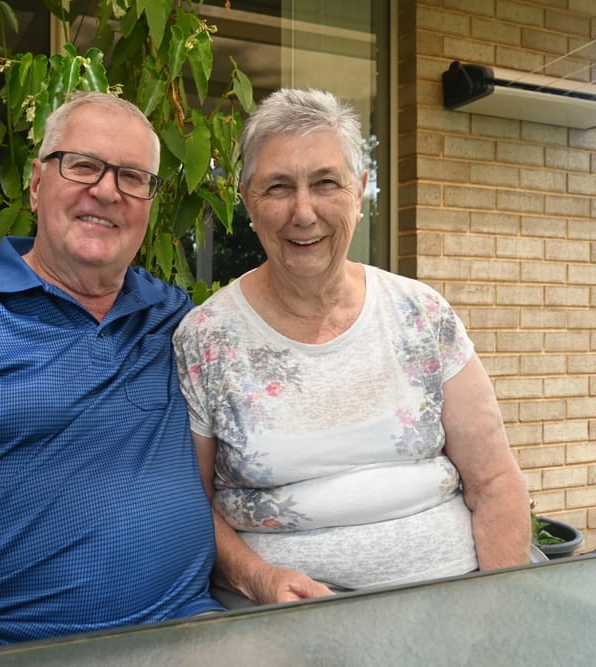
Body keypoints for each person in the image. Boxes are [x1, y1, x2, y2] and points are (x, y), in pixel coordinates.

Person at [0, 91, 222, 664]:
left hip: (184, 635)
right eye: (83, 165)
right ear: (36, 182)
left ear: (150, 203)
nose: (106, 190)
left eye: (132, 177)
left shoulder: (176, 317)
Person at [172, 88, 532, 606]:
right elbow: (191, 505)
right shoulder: (206, 339)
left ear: (359, 191)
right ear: (248, 199)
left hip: (456, 597)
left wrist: (498, 615)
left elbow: (495, 481)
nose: (303, 211)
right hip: (283, 615)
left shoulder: (422, 314)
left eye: (325, 183)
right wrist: (257, 577)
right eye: (277, 187)